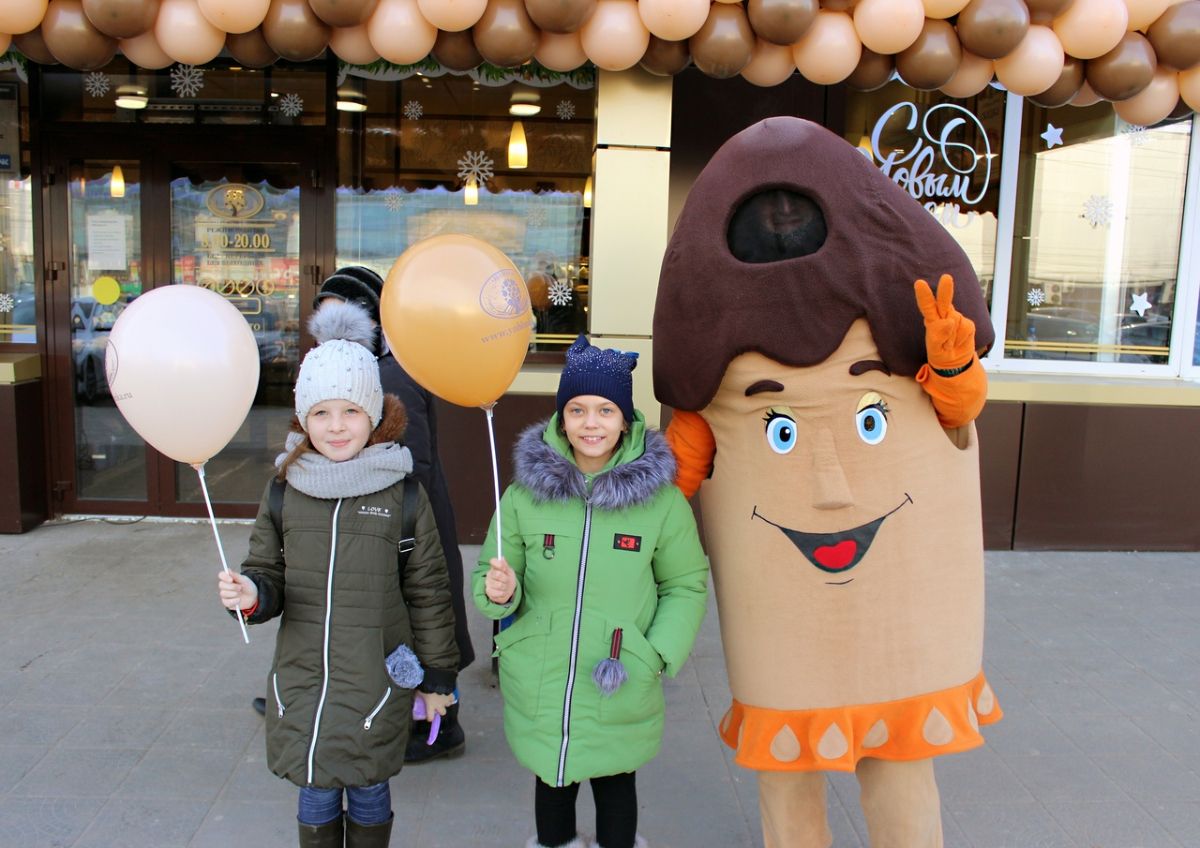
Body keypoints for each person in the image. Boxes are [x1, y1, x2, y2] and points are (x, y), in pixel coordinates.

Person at [653, 116, 1001, 847]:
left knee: (897, 763)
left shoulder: (912, 322)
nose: (831, 487)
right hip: (781, 612)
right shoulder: (709, 379)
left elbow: (956, 414)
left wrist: (955, 366)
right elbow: (678, 473)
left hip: (896, 611)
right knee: (787, 771)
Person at [219, 299, 459, 847]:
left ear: (374, 415)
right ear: (303, 418)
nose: (336, 426)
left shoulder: (402, 493)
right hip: (304, 678)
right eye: (321, 413)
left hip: (375, 676)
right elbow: (266, 570)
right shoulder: (284, 487)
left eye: (350, 411)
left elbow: (428, 591)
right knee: (316, 787)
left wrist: (439, 676)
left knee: (370, 786)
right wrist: (251, 593)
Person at [473, 335, 709, 848]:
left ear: (626, 419)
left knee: (615, 778)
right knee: (551, 779)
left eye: (606, 410)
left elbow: (685, 583)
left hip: (619, 674)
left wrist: (657, 653)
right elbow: (492, 580)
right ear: (561, 419)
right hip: (542, 673)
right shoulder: (523, 497)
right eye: (577, 410)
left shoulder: (660, 504)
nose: (591, 423)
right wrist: (500, 591)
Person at [252, 265, 475, 764]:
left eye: (346, 317)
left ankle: (437, 724)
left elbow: (409, 462)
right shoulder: (357, 371)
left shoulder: (389, 374)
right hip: (366, 524)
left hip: (397, 528)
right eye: (326, 317)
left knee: (412, 622)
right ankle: (320, 700)